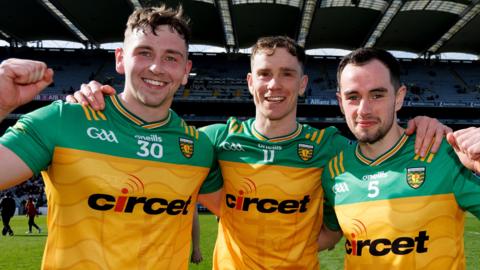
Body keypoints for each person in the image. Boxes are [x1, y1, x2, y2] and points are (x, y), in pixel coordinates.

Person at [69, 36, 450, 269]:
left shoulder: (330, 148)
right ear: (250, 82)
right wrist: (96, 99)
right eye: (265, 73)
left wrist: (425, 124)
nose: (275, 84)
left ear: (302, 85)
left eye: (287, 74)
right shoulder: (213, 141)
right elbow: (147, 134)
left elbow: (339, 222)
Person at [0, 5, 222, 270]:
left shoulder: (199, 147)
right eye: (144, 52)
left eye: (171, 58)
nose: (156, 67)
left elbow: (248, 214)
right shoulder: (64, 120)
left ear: (186, 70)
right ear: (120, 59)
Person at [320, 47, 480, 269]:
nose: (363, 109)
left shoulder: (442, 154)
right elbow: (328, 233)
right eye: (353, 97)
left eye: (377, 95)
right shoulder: (334, 171)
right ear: (340, 102)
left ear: (399, 97)